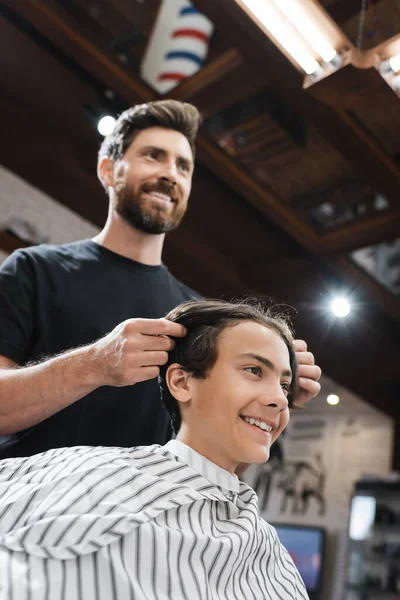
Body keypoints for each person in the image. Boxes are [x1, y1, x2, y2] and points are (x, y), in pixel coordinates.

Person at [0, 99, 321, 458]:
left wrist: (266, 396)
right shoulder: (34, 270)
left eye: (183, 166)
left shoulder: (198, 318)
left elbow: (212, 458)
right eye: (153, 156)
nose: (171, 174)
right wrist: (96, 363)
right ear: (108, 170)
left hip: (147, 512)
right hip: (30, 506)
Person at [0, 299, 309, 599]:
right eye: (254, 370)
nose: (281, 400)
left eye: (284, 385)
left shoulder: (270, 552)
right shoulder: (89, 475)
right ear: (181, 382)